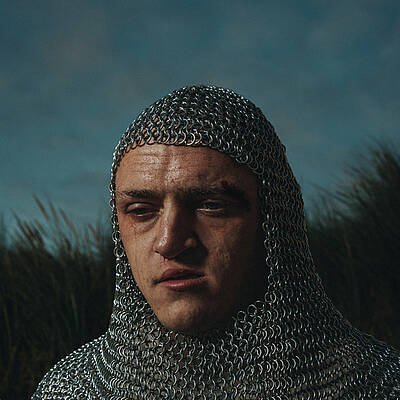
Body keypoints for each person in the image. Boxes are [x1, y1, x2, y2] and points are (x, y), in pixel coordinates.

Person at [33, 85, 400, 399]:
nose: (169, 242)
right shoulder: (73, 389)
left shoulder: (377, 385)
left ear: (273, 222)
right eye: (141, 211)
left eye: (211, 206)